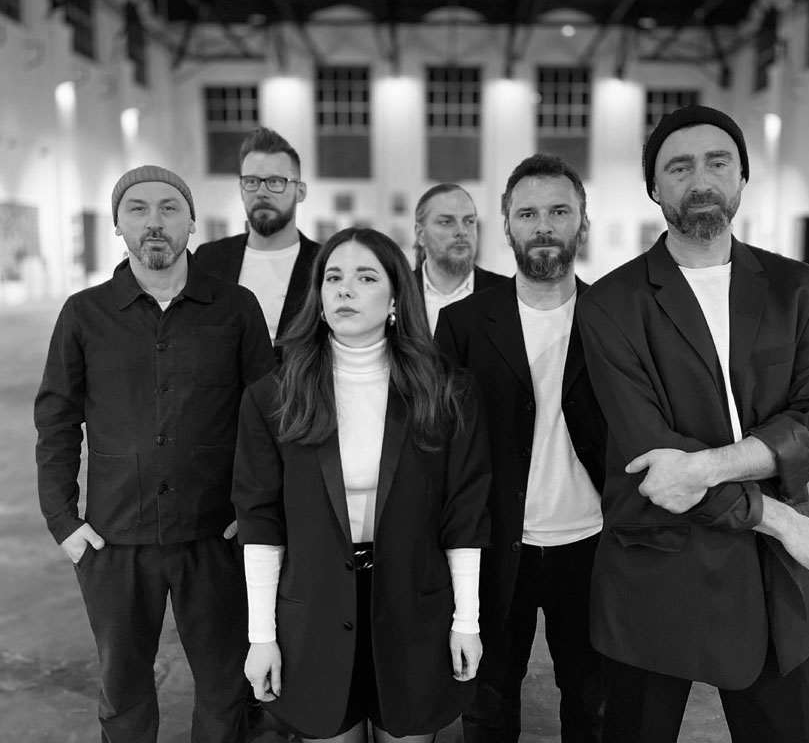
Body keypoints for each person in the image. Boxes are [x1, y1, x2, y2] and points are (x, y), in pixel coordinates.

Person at [577, 105, 809, 743]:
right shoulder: (610, 304)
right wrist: (785, 521)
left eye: (717, 162)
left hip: (772, 578)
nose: (700, 179)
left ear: (742, 176)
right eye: (679, 167)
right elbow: (654, 461)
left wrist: (706, 465)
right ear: (654, 188)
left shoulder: (799, 288)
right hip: (658, 568)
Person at [34, 165, 275, 743]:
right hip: (114, 540)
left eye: (169, 208)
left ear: (192, 222)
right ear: (118, 225)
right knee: (123, 694)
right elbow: (57, 419)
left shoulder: (236, 308)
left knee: (225, 690)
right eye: (137, 209)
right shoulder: (84, 313)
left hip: (215, 536)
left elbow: (267, 418)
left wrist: (255, 513)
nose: (154, 222)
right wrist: (63, 521)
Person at [231, 227, 492, 742]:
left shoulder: (446, 393)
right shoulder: (273, 398)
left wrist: (467, 620)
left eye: (366, 277)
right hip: (315, 611)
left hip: (414, 607)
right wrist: (262, 636)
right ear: (319, 297)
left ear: (395, 299)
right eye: (333, 278)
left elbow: (464, 515)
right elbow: (260, 524)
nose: (345, 289)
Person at [434, 154, 606, 743]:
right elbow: (442, 447)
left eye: (559, 211)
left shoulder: (614, 316)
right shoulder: (462, 324)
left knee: (593, 705)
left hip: (591, 544)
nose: (544, 226)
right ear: (506, 226)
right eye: (527, 213)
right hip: (496, 544)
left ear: (583, 222)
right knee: (488, 705)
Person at [195, 126, 321, 349]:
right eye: (252, 181)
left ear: (300, 191)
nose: (262, 192)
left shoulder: (323, 263)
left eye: (276, 181)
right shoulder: (208, 259)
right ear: (241, 189)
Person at [412, 183, 505, 334]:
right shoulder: (397, 292)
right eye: (446, 222)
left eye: (469, 221)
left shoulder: (506, 295)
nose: (461, 231)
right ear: (420, 234)